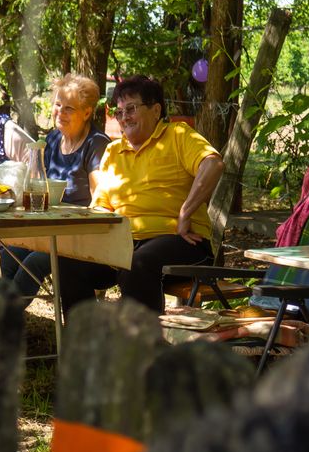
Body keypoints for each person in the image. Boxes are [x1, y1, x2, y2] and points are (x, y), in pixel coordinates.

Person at [55, 75, 224, 316]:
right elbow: (101, 206)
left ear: (156, 110)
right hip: (124, 245)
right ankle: (86, 342)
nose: (124, 117)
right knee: (69, 261)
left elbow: (213, 164)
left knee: (137, 262)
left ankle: (144, 348)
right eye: (119, 111)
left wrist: (186, 211)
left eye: (131, 109)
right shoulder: (114, 150)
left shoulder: (178, 135)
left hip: (181, 240)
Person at [0, 74, 112, 297]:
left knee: (34, 263)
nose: (60, 112)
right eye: (57, 105)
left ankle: (3, 318)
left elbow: (100, 202)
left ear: (87, 112)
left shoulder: (96, 144)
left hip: (80, 235)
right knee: (7, 257)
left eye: (69, 108)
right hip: (46, 229)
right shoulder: (52, 139)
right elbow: (37, 184)